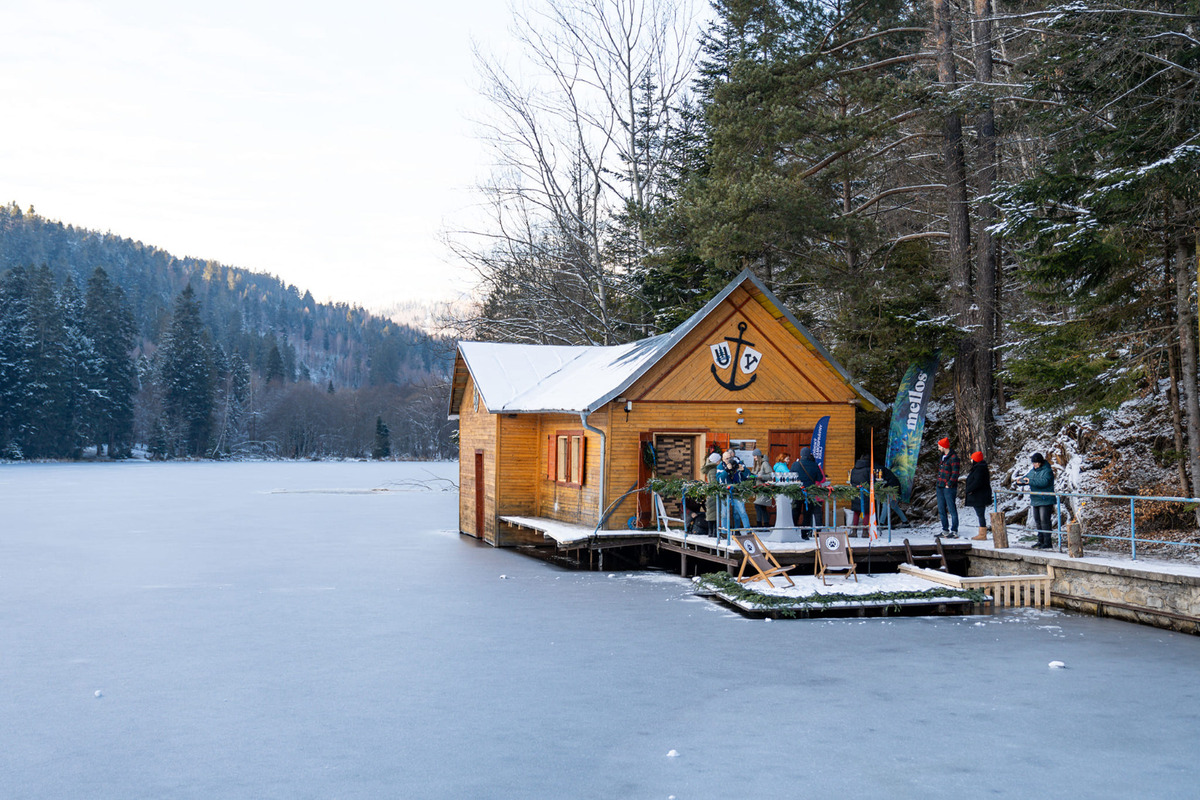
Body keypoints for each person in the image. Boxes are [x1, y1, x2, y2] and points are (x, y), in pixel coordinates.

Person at [1018, 452, 1056, 549]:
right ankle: (1040, 540)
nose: (1034, 465)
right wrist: (1021, 481)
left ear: (1040, 462)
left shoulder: (1047, 470)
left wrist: (1030, 481)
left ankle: (1047, 542)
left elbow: (1044, 482)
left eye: (1036, 463)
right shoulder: (1033, 471)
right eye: (1033, 463)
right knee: (1038, 521)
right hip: (1035, 499)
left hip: (1045, 499)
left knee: (1045, 521)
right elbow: (1027, 478)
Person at [790, 446, 824, 540]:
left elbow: (790, 476)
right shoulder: (814, 465)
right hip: (810, 492)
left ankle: (792, 531)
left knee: (795, 512)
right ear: (809, 455)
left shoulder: (795, 465)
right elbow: (820, 478)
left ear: (801, 455)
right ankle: (804, 534)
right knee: (807, 513)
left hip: (797, 491)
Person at [716, 448, 750, 533]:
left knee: (741, 512)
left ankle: (747, 531)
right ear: (723, 460)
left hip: (737, 491)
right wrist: (726, 470)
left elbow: (748, 475)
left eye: (730, 458)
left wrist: (743, 470)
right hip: (725, 492)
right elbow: (719, 479)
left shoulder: (738, 463)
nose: (729, 460)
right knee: (724, 513)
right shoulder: (720, 466)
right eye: (726, 459)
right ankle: (724, 532)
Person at [963, 451, 992, 541]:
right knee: (980, 514)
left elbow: (977, 482)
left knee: (980, 514)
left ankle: (982, 534)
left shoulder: (979, 469)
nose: (971, 460)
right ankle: (982, 533)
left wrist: (969, 489)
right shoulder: (980, 468)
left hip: (979, 496)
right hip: (979, 495)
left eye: (972, 459)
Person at [936, 437, 961, 537]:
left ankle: (954, 530)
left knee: (951, 509)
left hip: (948, 487)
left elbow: (955, 472)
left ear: (944, 446)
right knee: (941, 509)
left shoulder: (953, 457)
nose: (938, 448)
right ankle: (945, 529)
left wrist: (949, 483)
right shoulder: (942, 457)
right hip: (940, 486)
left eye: (939, 446)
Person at [698, 452, 721, 537]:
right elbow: (714, 483)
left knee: (710, 514)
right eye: (719, 460)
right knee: (714, 515)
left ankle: (711, 532)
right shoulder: (714, 470)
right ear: (716, 461)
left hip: (710, 494)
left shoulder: (710, 469)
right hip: (714, 494)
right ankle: (713, 532)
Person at [848, 455, 871, 536]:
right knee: (866, 512)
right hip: (865, 492)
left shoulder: (854, 470)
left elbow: (851, 481)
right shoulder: (868, 470)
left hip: (855, 492)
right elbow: (872, 481)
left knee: (856, 512)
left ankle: (854, 532)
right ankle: (865, 531)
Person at [751, 448, 774, 527]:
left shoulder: (765, 464)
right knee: (762, 507)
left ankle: (760, 524)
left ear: (759, 455)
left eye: (755, 456)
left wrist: (761, 476)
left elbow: (770, 476)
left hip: (764, 489)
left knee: (758, 505)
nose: (754, 457)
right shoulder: (756, 464)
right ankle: (765, 524)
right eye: (753, 456)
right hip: (758, 489)